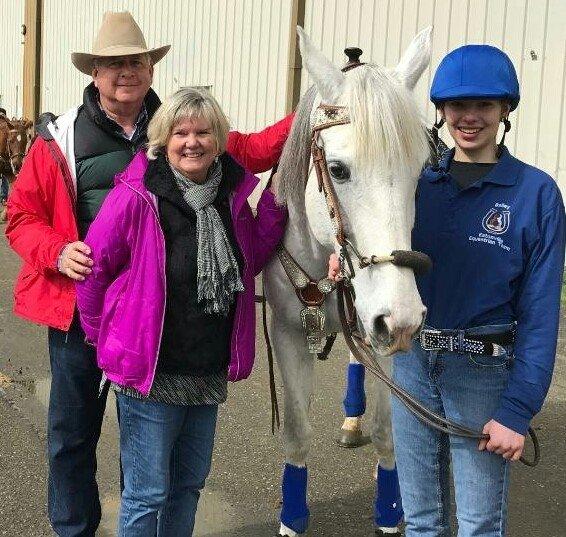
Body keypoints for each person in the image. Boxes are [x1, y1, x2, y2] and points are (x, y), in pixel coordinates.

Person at [5, 11, 292, 537]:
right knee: (71, 435)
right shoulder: (61, 137)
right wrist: (55, 251)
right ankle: (75, 530)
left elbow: (248, 150)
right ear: (94, 72)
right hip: (80, 308)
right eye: (113, 64)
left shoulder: (175, 128)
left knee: (143, 451)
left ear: (151, 69)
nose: (125, 72)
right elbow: (21, 216)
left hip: (150, 316)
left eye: (135, 61)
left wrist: (312, 113)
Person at [329, 44, 565, 536]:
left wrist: (516, 411)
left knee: (478, 525)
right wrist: (346, 263)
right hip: (413, 360)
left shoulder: (535, 194)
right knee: (420, 523)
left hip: (483, 370)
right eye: (458, 106)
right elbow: (377, 234)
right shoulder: (416, 183)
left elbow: (542, 316)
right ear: (441, 111)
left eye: (484, 105)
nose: (470, 117)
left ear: (505, 111)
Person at [75, 86, 287, 536]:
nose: (192, 142)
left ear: (219, 140)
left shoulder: (230, 197)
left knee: (188, 486)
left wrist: (278, 195)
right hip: (150, 373)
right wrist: (103, 337)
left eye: (203, 132)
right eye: (181, 132)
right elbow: (94, 269)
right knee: (147, 495)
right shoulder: (137, 195)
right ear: (163, 140)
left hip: (205, 372)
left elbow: (253, 254)